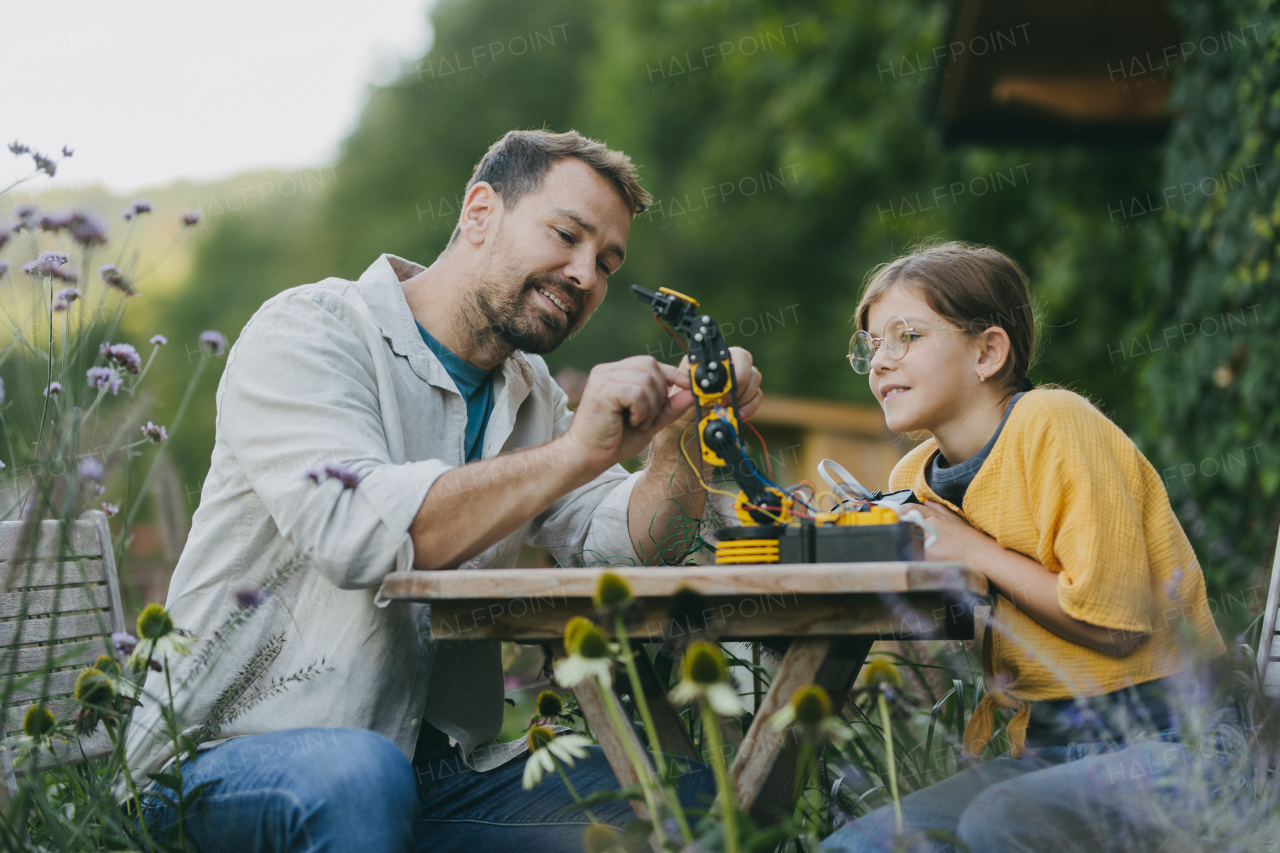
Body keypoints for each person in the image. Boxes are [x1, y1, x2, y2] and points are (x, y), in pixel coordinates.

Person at [125, 130, 761, 851]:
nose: (585, 272)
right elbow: (356, 533)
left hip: (441, 775)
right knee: (360, 778)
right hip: (227, 760)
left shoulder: (531, 395)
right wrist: (578, 450)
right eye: (567, 234)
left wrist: (685, 434)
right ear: (481, 211)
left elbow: (627, 544)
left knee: (690, 806)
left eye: (607, 262)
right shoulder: (309, 332)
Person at [821, 242, 1247, 853]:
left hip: (1179, 741)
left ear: (988, 351)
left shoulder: (1054, 420)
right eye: (870, 345)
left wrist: (969, 549)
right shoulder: (911, 482)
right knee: (857, 846)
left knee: (1001, 823)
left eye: (905, 336)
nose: (880, 362)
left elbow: (1116, 624)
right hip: (1046, 752)